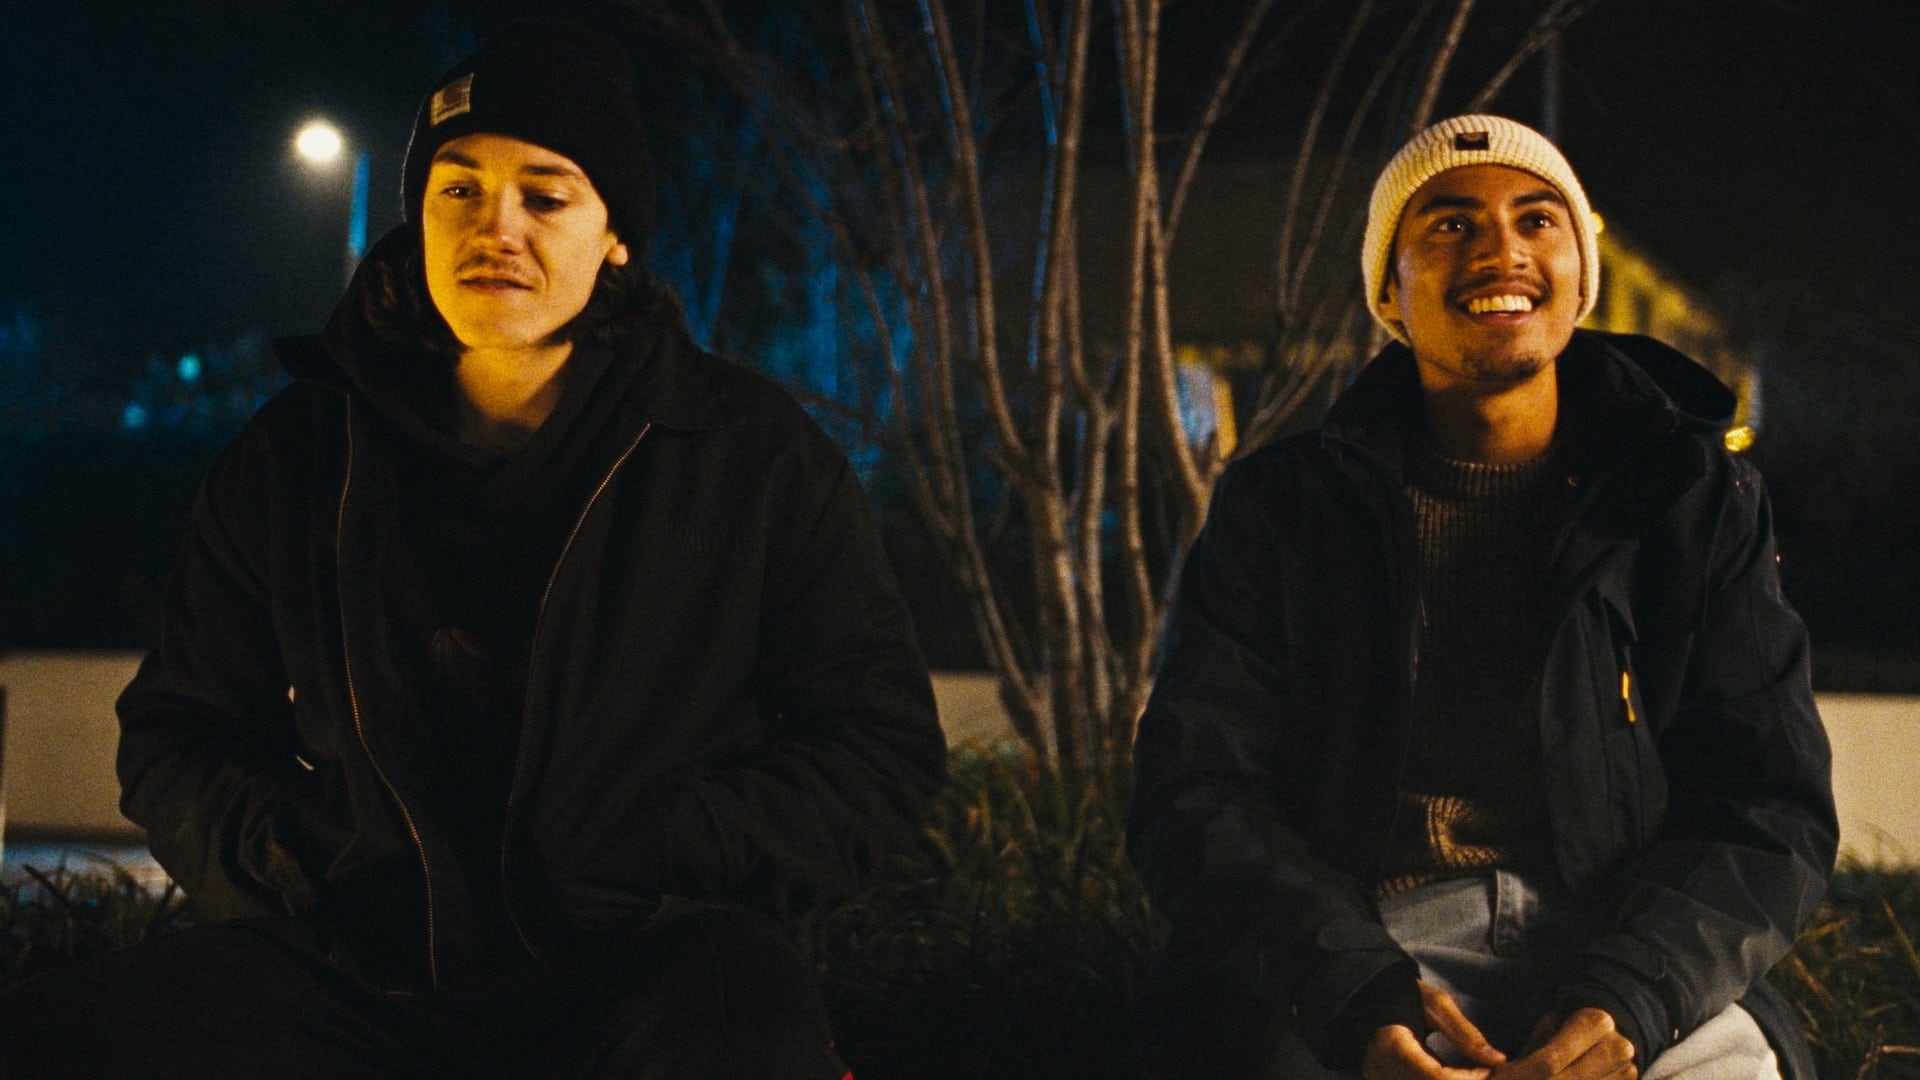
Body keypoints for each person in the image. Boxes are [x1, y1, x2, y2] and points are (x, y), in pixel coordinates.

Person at [0, 22, 944, 1079]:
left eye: (545, 196)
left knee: (744, 1037)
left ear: (616, 236)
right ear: (419, 214)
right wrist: (308, 860)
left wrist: (661, 845)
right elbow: (179, 733)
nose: (497, 227)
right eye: (460, 189)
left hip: (647, 960)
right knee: (57, 1039)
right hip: (355, 970)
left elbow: (877, 744)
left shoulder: (745, 453)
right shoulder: (301, 451)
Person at [1127, 114, 1835, 1079]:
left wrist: (1629, 1000)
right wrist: (1352, 994)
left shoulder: (1690, 498)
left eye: (1537, 220)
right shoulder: (1284, 508)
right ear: (1389, 291)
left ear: (1580, 281)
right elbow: (1197, 790)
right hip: (1367, 957)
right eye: (1451, 225)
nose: (1503, 249)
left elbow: (1768, 804)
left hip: (1623, 953)